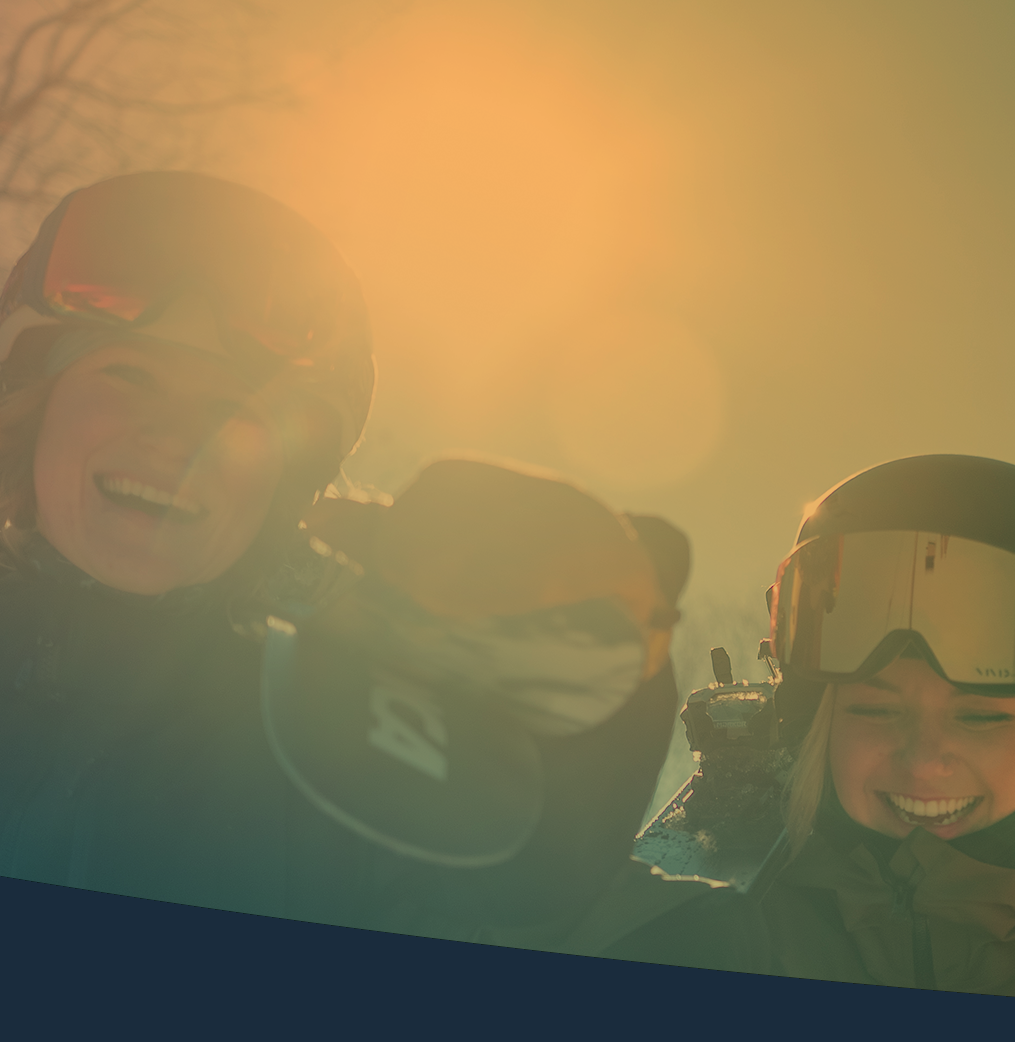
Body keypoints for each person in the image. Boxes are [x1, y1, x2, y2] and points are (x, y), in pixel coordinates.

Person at [0, 171, 686, 939]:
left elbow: (487, 907)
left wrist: (570, 731)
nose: (172, 438)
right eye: (129, 374)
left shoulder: (336, 747)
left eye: (231, 409)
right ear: (33, 403)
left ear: (282, 480)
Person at [600, 454, 1015, 1010]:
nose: (925, 760)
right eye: (876, 711)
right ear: (816, 726)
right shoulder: (711, 939)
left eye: (979, 716)